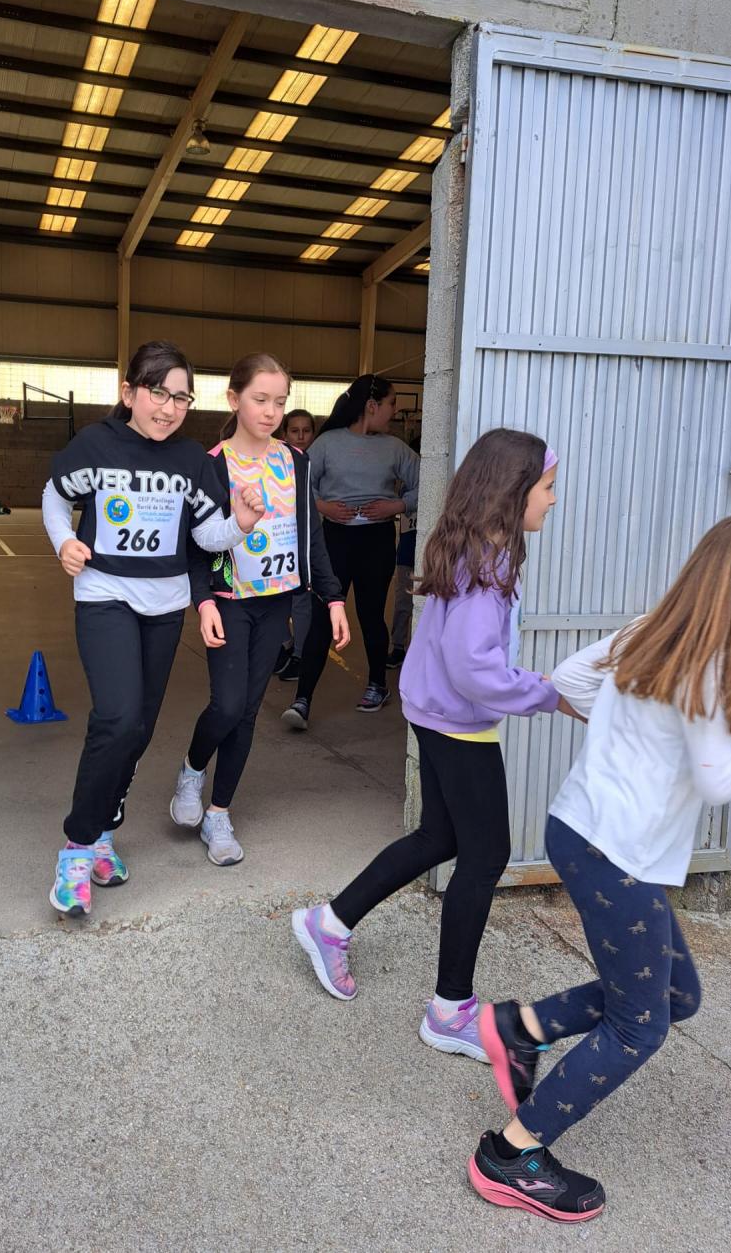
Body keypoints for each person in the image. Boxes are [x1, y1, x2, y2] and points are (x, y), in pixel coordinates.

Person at [470, 515, 731, 1224]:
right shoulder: (710, 666)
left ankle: (523, 1026)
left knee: (676, 992)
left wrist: (629, 739)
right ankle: (511, 1155)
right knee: (640, 1027)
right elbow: (720, 778)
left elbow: (571, 678)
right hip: (620, 856)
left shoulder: (656, 631)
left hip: (584, 830)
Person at [291, 429, 569, 1055]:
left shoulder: (470, 545)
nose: (553, 500)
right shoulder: (489, 566)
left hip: (437, 711)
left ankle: (329, 923)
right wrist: (548, 693)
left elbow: (463, 656)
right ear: (514, 491)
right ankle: (450, 1011)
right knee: (486, 856)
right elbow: (475, 667)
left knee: (440, 838)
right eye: (548, 488)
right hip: (459, 722)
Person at [42, 340, 264, 917]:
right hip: (105, 596)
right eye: (158, 394)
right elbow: (54, 495)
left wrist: (241, 523)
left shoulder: (192, 460)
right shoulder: (97, 445)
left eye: (181, 398)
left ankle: (103, 832)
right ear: (129, 393)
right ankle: (77, 847)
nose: (169, 408)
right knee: (116, 718)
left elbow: (206, 536)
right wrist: (63, 541)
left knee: (138, 728)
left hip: (164, 606)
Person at [171, 355, 349, 864]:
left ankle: (219, 814)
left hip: (277, 602)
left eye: (280, 402)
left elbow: (312, 535)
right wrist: (203, 600)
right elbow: (195, 543)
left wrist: (333, 596)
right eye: (260, 399)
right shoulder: (212, 465)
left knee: (248, 711)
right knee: (227, 706)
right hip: (230, 602)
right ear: (234, 400)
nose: (271, 411)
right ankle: (192, 769)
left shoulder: (297, 462)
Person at [281, 374, 420, 728]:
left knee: (371, 615)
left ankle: (377, 685)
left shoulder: (395, 448)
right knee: (322, 616)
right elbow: (297, 485)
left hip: (376, 540)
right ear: (371, 406)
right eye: (390, 403)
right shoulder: (327, 444)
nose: (394, 411)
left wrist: (397, 505)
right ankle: (302, 700)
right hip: (334, 540)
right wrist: (322, 506)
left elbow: (428, 483)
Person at [273, 409, 317, 683]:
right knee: (276, 598)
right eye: (294, 431)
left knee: (301, 600)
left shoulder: (315, 461)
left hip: (307, 541)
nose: (301, 436)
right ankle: (285, 644)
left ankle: (300, 654)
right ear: (284, 434)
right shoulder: (276, 460)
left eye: (306, 431)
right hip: (279, 539)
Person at [387, 432, 422, 669]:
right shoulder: (405, 489)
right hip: (407, 553)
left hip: (428, 555)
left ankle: (416, 650)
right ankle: (398, 646)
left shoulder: (439, 485)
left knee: (425, 604)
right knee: (403, 602)